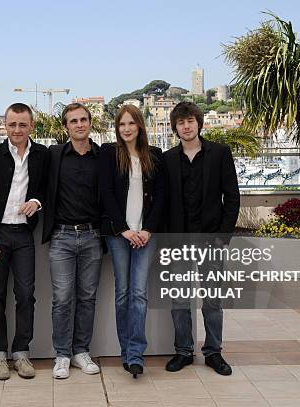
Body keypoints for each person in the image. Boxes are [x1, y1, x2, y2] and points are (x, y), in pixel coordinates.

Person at [163, 101, 240, 376]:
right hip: (178, 243)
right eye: (181, 122)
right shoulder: (168, 159)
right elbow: (162, 202)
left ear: (199, 123)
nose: (186, 126)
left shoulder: (220, 154)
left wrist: (223, 238)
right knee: (180, 301)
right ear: (175, 127)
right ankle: (183, 351)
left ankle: (213, 352)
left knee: (212, 301)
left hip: (211, 242)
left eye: (190, 121)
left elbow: (232, 198)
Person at [0, 103, 48, 380]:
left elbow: (45, 188)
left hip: (23, 235)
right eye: (12, 124)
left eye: (22, 124)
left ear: (31, 126)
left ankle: (21, 353)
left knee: (25, 295)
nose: (17, 129)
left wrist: (37, 201)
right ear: (5, 126)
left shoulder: (41, 154)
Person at [99, 105, 165, 378]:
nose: (126, 129)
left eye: (131, 124)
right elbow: (105, 193)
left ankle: (136, 354)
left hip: (145, 236)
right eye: (121, 124)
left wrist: (147, 229)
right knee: (123, 293)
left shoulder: (154, 157)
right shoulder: (109, 154)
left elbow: (161, 197)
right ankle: (126, 352)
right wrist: (123, 229)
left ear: (140, 126)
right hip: (119, 235)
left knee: (139, 295)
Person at [41, 103, 103, 379]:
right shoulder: (54, 155)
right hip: (62, 237)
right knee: (63, 299)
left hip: (93, 236)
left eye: (83, 120)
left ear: (90, 123)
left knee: (88, 298)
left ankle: (81, 351)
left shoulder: (103, 156)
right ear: (65, 127)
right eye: (73, 121)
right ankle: (62, 355)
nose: (79, 124)